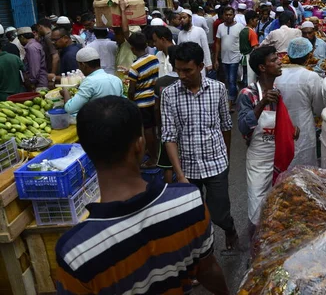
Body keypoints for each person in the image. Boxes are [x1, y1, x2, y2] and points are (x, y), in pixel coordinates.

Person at [55, 96, 229, 295]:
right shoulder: (189, 202)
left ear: (85, 150)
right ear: (140, 145)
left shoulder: (76, 251)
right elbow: (208, 270)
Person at [161, 42, 238, 251]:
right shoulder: (168, 95)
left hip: (216, 164)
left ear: (201, 66)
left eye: (187, 70)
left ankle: (229, 229)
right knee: (193, 217)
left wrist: (226, 160)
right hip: (187, 168)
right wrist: (179, 174)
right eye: (178, 70)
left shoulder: (218, 89)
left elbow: (226, 126)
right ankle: (205, 256)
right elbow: (169, 136)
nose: (182, 75)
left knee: (219, 213)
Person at [237, 46, 299, 232]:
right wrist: (262, 103)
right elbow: (243, 127)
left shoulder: (278, 92)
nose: (280, 62)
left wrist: (291, 130)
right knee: (256, 204)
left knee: (276, 202)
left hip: (276, 156)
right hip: (258, 158)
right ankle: (255, 247)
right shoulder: (248, 95)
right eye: (274, 60)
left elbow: (281, 122)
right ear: (262, 68)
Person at [275, 38, 324, 167]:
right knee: (303, 162)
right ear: (308, 56)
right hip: (303, 123)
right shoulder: (311, 76)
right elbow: (318, 108)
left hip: (280, 123)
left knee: (284, 161)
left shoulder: (278, 74)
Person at [127, 32, 159, 167]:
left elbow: (131, 90)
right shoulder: (154, 58)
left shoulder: (134, 67)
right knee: (154, 129)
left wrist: (130, 99)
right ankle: (156, 153)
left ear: (132, 48)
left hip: (142, 103)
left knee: (147, 131)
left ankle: (153, 159)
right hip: (154, 99)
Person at [62, 47, 123, 115]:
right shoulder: (116, 79)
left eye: (79, 66)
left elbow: (69, 108)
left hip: (97, 121)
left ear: (83, 65)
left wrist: (65, 91)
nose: (79, 69)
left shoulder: (89, 82)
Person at [154, 46, 179, 184]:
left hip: (166, 128)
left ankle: (170, 190)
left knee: (167, 164)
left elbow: (156, 108)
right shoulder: (187, 81)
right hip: (184, 127)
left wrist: (159, 126)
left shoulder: (160, 82)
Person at [214, 6, 244, 111]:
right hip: (224, 58)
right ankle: (234, 95)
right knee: (228, 80)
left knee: (231, 80)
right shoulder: (220, 27)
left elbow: (243, 41)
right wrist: (216, 59)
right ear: (223, 15)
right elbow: (217, 43)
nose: (228, 16)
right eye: (226, 15)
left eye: (230, 14)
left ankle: (230, 103)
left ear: (234, 15)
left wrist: (242, 55)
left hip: (235, 57)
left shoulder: (240, 26)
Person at [178, 8, 213, 77]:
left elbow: (205, 48)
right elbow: (179, 50)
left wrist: (208, 64)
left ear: (190, 18)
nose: (182, 20)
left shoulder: (199, 31)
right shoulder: (180, 34)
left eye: (184, 17)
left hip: (199, 64)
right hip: (186, 65)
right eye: (181, 18)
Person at [18, 26, 48, 91]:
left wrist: (32, 82)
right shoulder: (35, 45)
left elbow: (35, 68)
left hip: (39, 85)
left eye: (19, 39)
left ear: (22, 37)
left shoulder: (31, 48)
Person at [239, 10, 260, 88]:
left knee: (244, 78)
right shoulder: (252, 33)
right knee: (249, 80)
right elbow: (256, 48)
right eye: (256, 20)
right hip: (249, 59)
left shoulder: (242, 31)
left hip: (242, 59)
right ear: (251, 20)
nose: (257, 22)